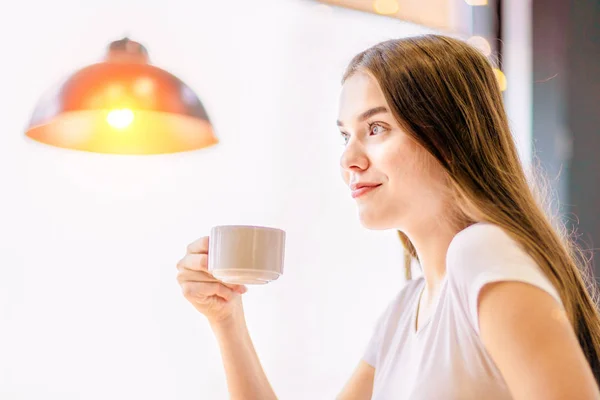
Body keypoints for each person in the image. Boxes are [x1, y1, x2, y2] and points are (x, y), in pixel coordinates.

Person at [176, 34, 600, 399]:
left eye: (376, 128)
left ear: (449, 135)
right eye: (345, 135)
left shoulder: (480, 253)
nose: (348, 158)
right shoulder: (405, 310)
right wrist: (226, 319)